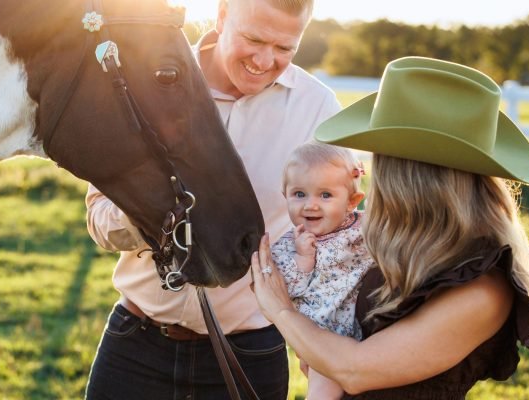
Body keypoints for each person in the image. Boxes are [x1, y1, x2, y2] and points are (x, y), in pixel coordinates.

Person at [84, 0, 341, 399]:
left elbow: (336, 238)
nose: (264, 60)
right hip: (135, 347)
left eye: (284, 48)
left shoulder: (319, 109)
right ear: (222, 15)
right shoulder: (139, 84)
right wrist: (154, 209)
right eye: (253, 39)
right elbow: (99, 221)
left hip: (250, 355)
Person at [250, 56, 529, 399]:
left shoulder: (483, 288)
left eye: (381, 159)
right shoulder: (398, 241)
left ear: (407, 179)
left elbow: (354, 370)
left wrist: (281, 310)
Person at [271, 141, 374, 399]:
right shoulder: (289, 246)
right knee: (322, 393)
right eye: (299, 194)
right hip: (323, 337)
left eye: (325, 195)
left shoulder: (362, 228)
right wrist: (303, 259)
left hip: (367, 331)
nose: (310, 205)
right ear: (285, 195)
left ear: (352, 202)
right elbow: (285, 291)